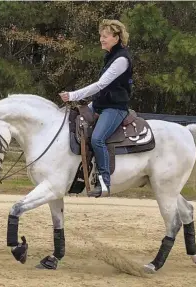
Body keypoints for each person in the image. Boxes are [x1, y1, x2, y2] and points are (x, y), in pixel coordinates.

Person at [59, 19, 133, 198]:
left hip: (115, 108)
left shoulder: (121, 59)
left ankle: (104, 182)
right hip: (101, 104)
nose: (101, 39)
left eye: (105, 36)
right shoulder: (110, 56)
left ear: (116, 37)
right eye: (101, 36)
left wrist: (73, 95)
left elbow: (100, 85)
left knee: (98, 138)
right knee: (71, 121)